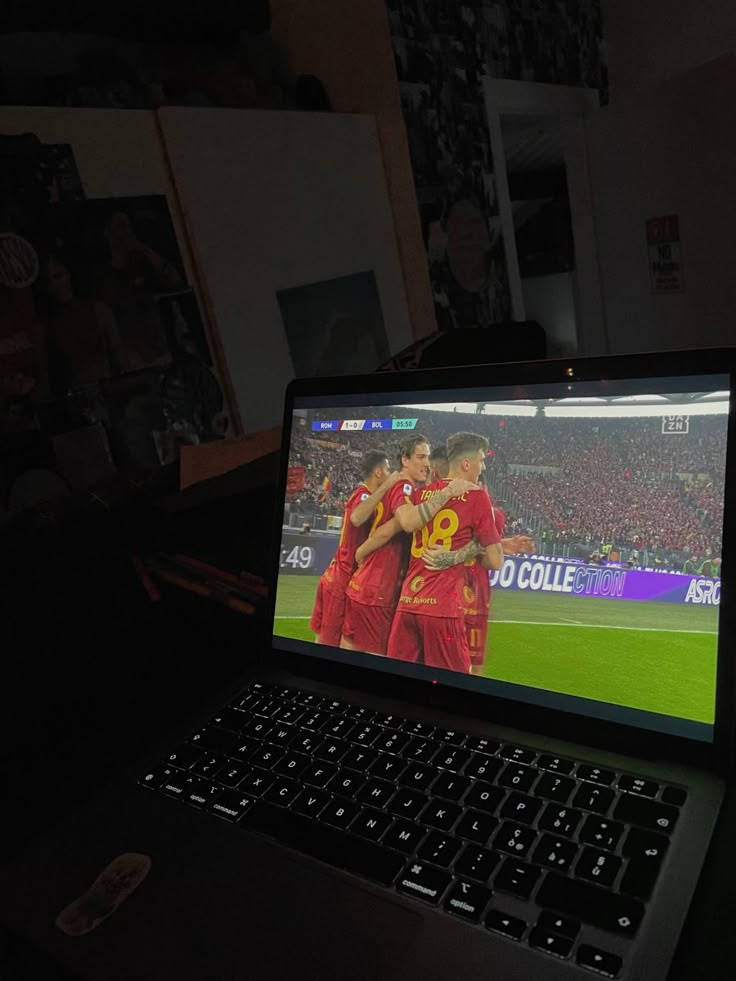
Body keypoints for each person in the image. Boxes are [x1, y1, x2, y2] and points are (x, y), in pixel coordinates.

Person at [385, 432, 504, 673]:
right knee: (456, 688)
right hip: (442, 609)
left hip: (407, 605)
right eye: (481, 461)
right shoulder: (477, 496)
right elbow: (495, 560)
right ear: (466, 463)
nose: (483, 467)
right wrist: (464, 551)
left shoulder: (422, 495)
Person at [341, 435, 431, 656]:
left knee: (347, 651)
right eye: (420, 457)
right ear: (405, 460)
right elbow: (388, 530)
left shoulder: (391, 486)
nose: (426, 463)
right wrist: (361, 550)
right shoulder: (405, 488)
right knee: (376, 661)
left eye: (428, 457)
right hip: (379, 588)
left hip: (361, 584)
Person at [421, 501, 534, 675]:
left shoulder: (493, 515)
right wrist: (499, 546)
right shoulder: (440, 506)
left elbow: (490, 561)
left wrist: (498, 547)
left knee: (471, 667)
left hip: (472, 599)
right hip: (449, 598)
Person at [309, 450, 400, 647]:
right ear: (378, 472)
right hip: (341, 580)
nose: (390, 473)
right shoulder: (364, 495)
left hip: (332, 577)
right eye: (387, 469)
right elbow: (357, 518)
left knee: (322, 640)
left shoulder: (362, 495)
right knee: (330, 645)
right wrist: (387, 487)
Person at [98, 210, 183, 369]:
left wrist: (145, 250)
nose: (128, 232)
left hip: (165, 348)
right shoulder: (104, 279)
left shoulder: (144, 263)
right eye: (121, 227)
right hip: (137, 359)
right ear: (107, 234)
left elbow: (175, 281)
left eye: (129, 226)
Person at [37, 254, 126, 393]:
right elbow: (45, 378)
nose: (55, 284)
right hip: (74, 396)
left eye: (58, 276)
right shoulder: (45, 327)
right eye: (49, 281)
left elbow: (121, 359)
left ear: (68, 274)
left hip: (106, 388)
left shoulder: (99, 309)